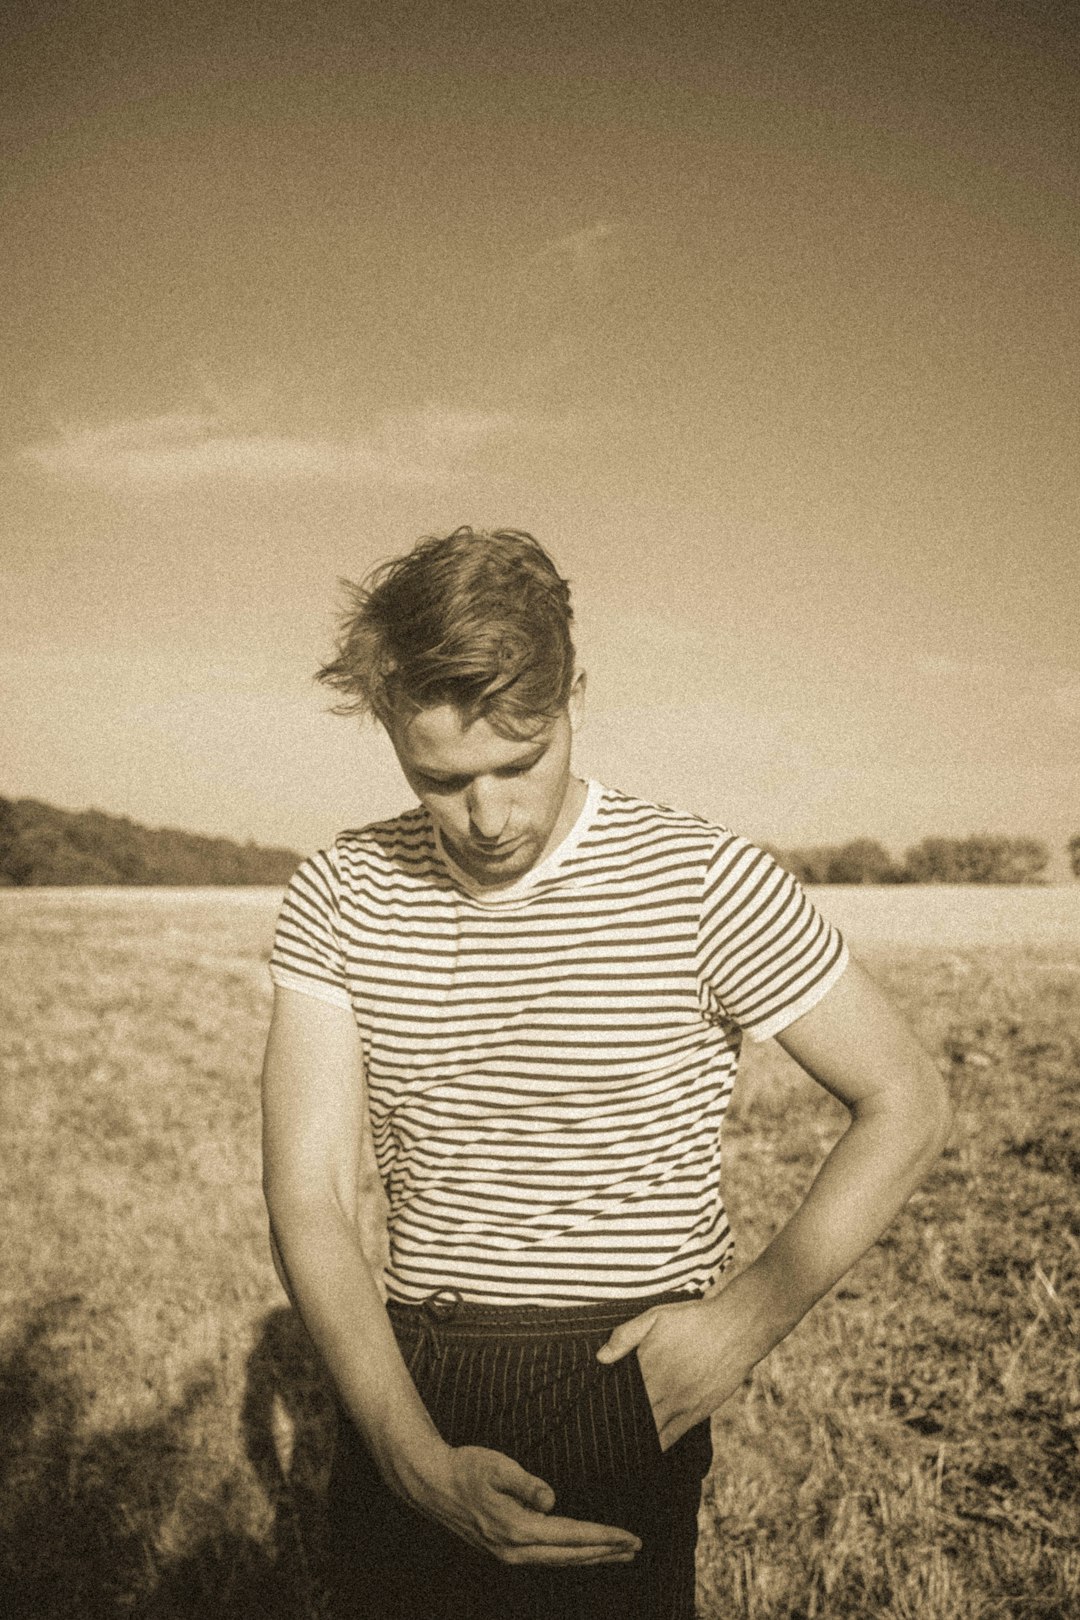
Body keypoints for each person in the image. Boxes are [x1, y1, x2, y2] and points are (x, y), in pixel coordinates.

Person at [261, 527, 952, 1619]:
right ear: (388, 727)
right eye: (439, 780)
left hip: (617, 1372)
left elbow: (907, 1100)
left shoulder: (702, 880)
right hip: (407, 1375)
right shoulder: (343, 890)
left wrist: (742, 1324)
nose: (487, 818)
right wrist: (404, 1449)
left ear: (574, 688)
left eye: (518, 763)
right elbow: (310, 1190)